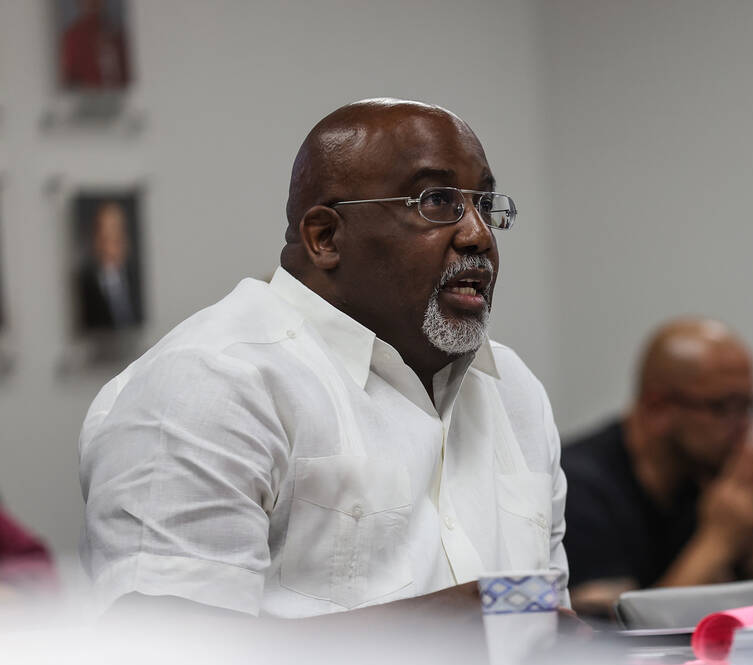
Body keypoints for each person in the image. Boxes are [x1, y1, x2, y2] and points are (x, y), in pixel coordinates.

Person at [79, 99, 568, 625]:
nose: (478, 234)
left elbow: (549, 626)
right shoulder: (211, 383)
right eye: (437, 201)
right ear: (325, 238)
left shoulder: (512, 389)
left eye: (484, 203)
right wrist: (427, 640)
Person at [562, 318, 753, 619]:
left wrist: (748, 550)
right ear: (657, 408)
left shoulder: (703, 479)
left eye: (749, 407)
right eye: (725, 407)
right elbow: (613, 634)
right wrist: (718, 542)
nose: (746, 428)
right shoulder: (578, 486)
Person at [77, 200, 143, 331]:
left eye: (118, 230)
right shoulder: (88, 282)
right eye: (107, 232)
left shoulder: (135, 278)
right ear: (96, 238)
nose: (114, 240)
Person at [59, 0, 131, 90]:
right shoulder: (72, 38)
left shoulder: (116, 35)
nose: (93, 2)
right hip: (88, 98)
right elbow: (68, 79)